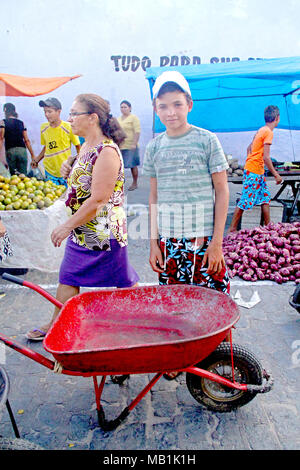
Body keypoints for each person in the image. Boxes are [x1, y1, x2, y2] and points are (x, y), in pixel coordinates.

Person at [26, 93, 139, 340]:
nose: (70, 118)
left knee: (123, 282)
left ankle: (139, 321)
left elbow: (99, 199)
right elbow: (84, 176)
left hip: (103, 232)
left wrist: (66, 226)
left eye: (74, 113)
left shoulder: (107, 151)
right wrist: (70, 165)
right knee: (68, 276)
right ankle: (56, 323)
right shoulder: (87, 145)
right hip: (84, 231)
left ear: (92, 117)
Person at [143, 71, 230, 379]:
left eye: (177, 104)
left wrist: (217, 243)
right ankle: (178, 358)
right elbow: (153, 196)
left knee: (213, 302)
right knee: (173, 304)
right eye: (164, 106)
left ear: (189, 104)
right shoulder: (154, 147)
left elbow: (222, 191)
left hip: (204, 240)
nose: (171, 112)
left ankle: (214, 358)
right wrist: (153, 242)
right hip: (170, 240)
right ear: (156, 109)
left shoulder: (207, 141)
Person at [228, 105, 283, 232]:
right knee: (245, 199)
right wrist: (276, 174)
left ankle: (268, 228)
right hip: (254, 171)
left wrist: (252, 161)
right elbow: (266, 158)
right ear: (277, 118)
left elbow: (249, 149)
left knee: (265, 198)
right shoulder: (268, 133)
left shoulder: (261, 130)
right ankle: (232, 228)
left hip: (256, 170)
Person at [32, 97, 81, 186]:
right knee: (52, 196)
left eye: (49, 111)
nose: (46, 114)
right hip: (50, 172)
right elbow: (46, 147)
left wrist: (79, 165)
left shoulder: (68, 127)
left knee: (66, 197)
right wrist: (37, 160)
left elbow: (78, 146)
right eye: (45, 111)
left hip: (65, 172)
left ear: (59, 111)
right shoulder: (43, 128)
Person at [0, 103, 35, 175]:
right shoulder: (21, 123)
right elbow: (26, 140)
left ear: (5, 111)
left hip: (10, 151)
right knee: (23, 175)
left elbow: (1, 138)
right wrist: (32, 155)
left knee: (14, 176)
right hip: (22, 151)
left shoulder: (3, 122)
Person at [117, 100, 141, 191]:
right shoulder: (119, 119)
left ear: (130, 108)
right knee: (119, 166)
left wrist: (134, 143)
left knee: (132, 165)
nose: (123, 109)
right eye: (121, 107)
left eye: (125, 107)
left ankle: (135, 183)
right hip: (121, 145)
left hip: (131, 145)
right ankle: (121, 183)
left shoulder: (133, 118)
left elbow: (137, 131)